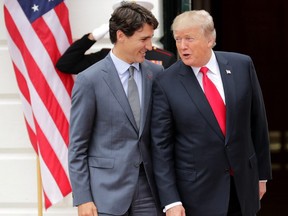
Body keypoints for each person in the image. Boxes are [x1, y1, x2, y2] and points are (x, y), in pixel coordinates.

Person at [151, 10, 272, 216]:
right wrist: (171, 201)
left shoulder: (242, 65)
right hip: (196, 195)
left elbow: (257, 123)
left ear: (210, 39)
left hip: (243, 186)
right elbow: (161, 147)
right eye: (178, 39)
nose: (182, 46)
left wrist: (261, 176)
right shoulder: (166, 82)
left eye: (189, 38)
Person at [68, 2, 164, 216]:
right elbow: (77, 146)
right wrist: (83, 198)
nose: (149, 46)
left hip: (149, 190)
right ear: (121, 35)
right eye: (143, 39)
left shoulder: (156, 74)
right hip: (105, 194)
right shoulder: (89, 80)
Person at [56, 0, 177, 74]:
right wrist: (92, 37)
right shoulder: (104, 57)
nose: (148, 46)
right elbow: (66, 65)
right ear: (121, 33)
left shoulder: (164, 58)